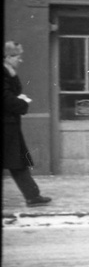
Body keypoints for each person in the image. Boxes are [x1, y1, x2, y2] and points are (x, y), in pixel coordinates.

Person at [3, 41, 52, 206]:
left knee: (17, 161)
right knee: (16, 161)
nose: (20, 60)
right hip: (6, 125)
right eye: (17, 57)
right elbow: (6, 99)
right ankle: (32, 196)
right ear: (8, 57)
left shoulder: (9, 72)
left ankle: (32, 196)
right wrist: (22, 103)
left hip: (10, 124)